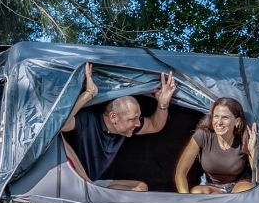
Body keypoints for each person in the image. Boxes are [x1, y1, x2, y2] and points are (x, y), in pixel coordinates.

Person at [61, 63, 177, 191]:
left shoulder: (123, 127)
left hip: (93, 183)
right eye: (132, 119)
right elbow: (60, 123)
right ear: (113, 117)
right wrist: (88, 94)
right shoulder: (87, 121)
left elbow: (155, 125)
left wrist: (163, 104)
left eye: (138, 118)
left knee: (141, 187)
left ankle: (98, 195)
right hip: (72, 182)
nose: (138, 123)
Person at [174, 97, 259, 194]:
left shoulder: (244, 139)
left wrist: (253, 152)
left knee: (244, 192)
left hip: (239, 184)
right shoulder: (203, 136)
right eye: (216, 116)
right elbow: (181, 172)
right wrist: (186, 198)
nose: (219, 122)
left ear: (237, 121)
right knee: (197, 193)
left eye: (225, 117)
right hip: (212, 186)